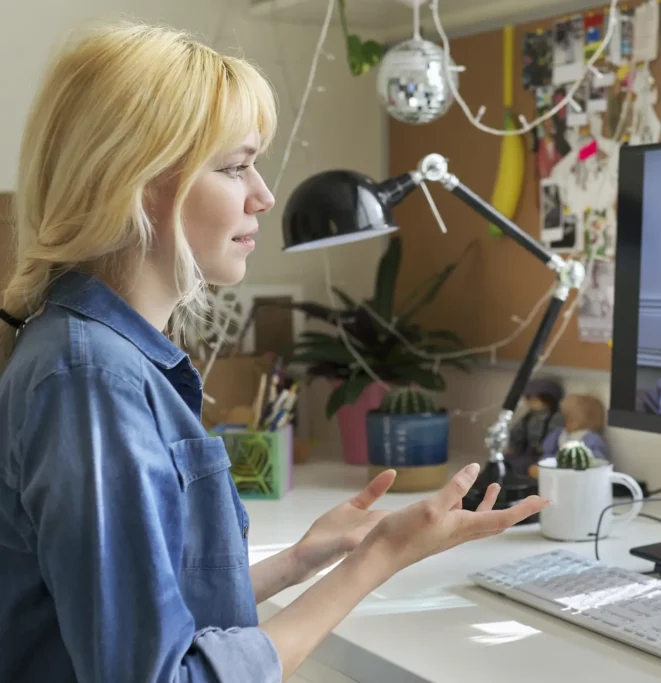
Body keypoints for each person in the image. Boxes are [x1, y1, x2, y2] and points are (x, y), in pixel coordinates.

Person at [0, 23, 547, 683]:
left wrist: (301, 558)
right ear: (137, 181)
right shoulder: (90, 378)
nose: (263, 195)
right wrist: (378, 560)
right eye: (235, 166)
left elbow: (140, 605)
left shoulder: (104, 358)